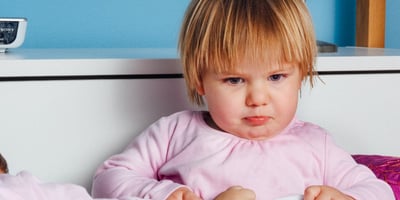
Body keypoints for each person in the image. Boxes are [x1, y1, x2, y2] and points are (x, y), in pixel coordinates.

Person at [91, 0, 395, 200]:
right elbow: (108, 180)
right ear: (199, 78)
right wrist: (166, 194)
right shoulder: (174, 133)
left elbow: (379, 190)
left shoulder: (318, 145)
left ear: (301, 74)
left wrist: (348, 198)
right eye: (234, 80)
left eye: (276, 77)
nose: (258, 99)